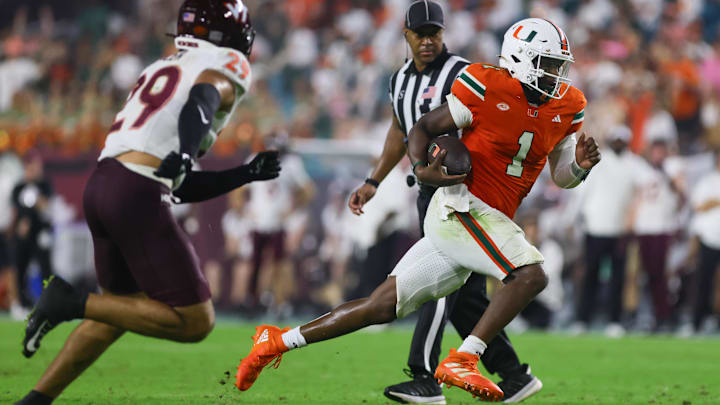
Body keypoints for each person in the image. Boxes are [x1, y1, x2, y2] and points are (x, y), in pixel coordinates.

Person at [235, 17, 600, 402]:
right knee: (531, 275)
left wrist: (579, 166)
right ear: (521, 58)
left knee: (379, 306)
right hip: (462, 208)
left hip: (485, 220)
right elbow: (422, 127)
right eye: (547, 63)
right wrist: (423, 169)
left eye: (559, 65)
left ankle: (277, 341)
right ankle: (464, 358)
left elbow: (563, 176)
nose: (556, 74)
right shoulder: (486, 86)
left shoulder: (568, 105)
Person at [16, 2, 280, 404]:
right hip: (136, 192)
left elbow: (178, 184)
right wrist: (189, 153)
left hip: (103, 185)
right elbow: (205, 96)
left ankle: (34, 400)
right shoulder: (224, 64)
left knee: (120, 310)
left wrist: (243, 174)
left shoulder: (160, 67)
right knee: (195, 321)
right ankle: (70, 301)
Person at [347, 1, 540, 403]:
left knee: (438, 286)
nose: (429, 40)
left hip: (460, 194)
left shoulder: (465, 73)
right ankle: (514, 375)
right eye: (421, 34)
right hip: (426, 192)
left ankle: (424, 376)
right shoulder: (398, 79)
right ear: (406, 35)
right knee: (466, 295)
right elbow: (399, 131)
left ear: (444, 33)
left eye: (435, 32)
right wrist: (373, 181)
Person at [571, 126, 641, 337]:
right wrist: (575, 218)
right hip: (595, 226)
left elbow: (650, 184)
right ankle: (583, 319)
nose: (618, 143)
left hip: (619, 230)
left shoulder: (633, 164)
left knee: (618, 278)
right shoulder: (599, 162)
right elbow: (582, 192)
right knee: (590, 274)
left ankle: (614, 320)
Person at [10, 151, 55, 314]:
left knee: (46, 269)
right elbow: (15, 210)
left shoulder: (44, 185)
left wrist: (35, 203)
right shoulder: (18, 187)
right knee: (20, 268)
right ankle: (22, 303)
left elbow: (45, 205)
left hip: (40, 233)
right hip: (23, 236)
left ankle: (48, 303)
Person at [689, 149, 720, 332]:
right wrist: (714, 202)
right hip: (708, 237)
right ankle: (697, 321)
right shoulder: (708, 181)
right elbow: (698, 206)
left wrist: (714, 202)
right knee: (703, 281)